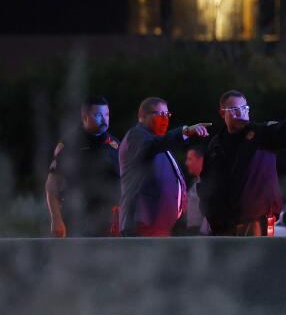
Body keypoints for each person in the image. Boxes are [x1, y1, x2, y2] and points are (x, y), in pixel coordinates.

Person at [199, 90, 286, 237]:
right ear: (222, 113)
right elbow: (206, 182)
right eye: (235, 110)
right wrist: (210, 214)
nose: (241, 113)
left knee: (258, 259)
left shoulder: (260, 134)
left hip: (257, 220)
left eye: (244, 108)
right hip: (224, 225)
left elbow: (280, 129)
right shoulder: (216, 145)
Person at [119, 97, 209, 237]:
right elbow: (153, 145)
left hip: (158, 226)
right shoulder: (136, 136)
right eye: (161, 115)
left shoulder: (157, 140)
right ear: (143, 116)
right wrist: (185, 132)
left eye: (167, 115)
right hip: (143, 225)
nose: (165, 119)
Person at [45, 95, 120, 238]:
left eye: (107, 115)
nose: (104, 120)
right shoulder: (70, 145)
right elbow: (51, 186)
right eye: (98, 115)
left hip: (107, 224)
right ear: (84, 117)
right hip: (76, 220)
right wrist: (56, 219)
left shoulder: (115, 146)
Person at [180, 145, 211, 236]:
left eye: (189, 159)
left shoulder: (208, 183)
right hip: (192, 232)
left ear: (200, 160)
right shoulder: (195, 183)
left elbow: (210, 211)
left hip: (201, 233)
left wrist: (203, 233)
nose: (186, 163)